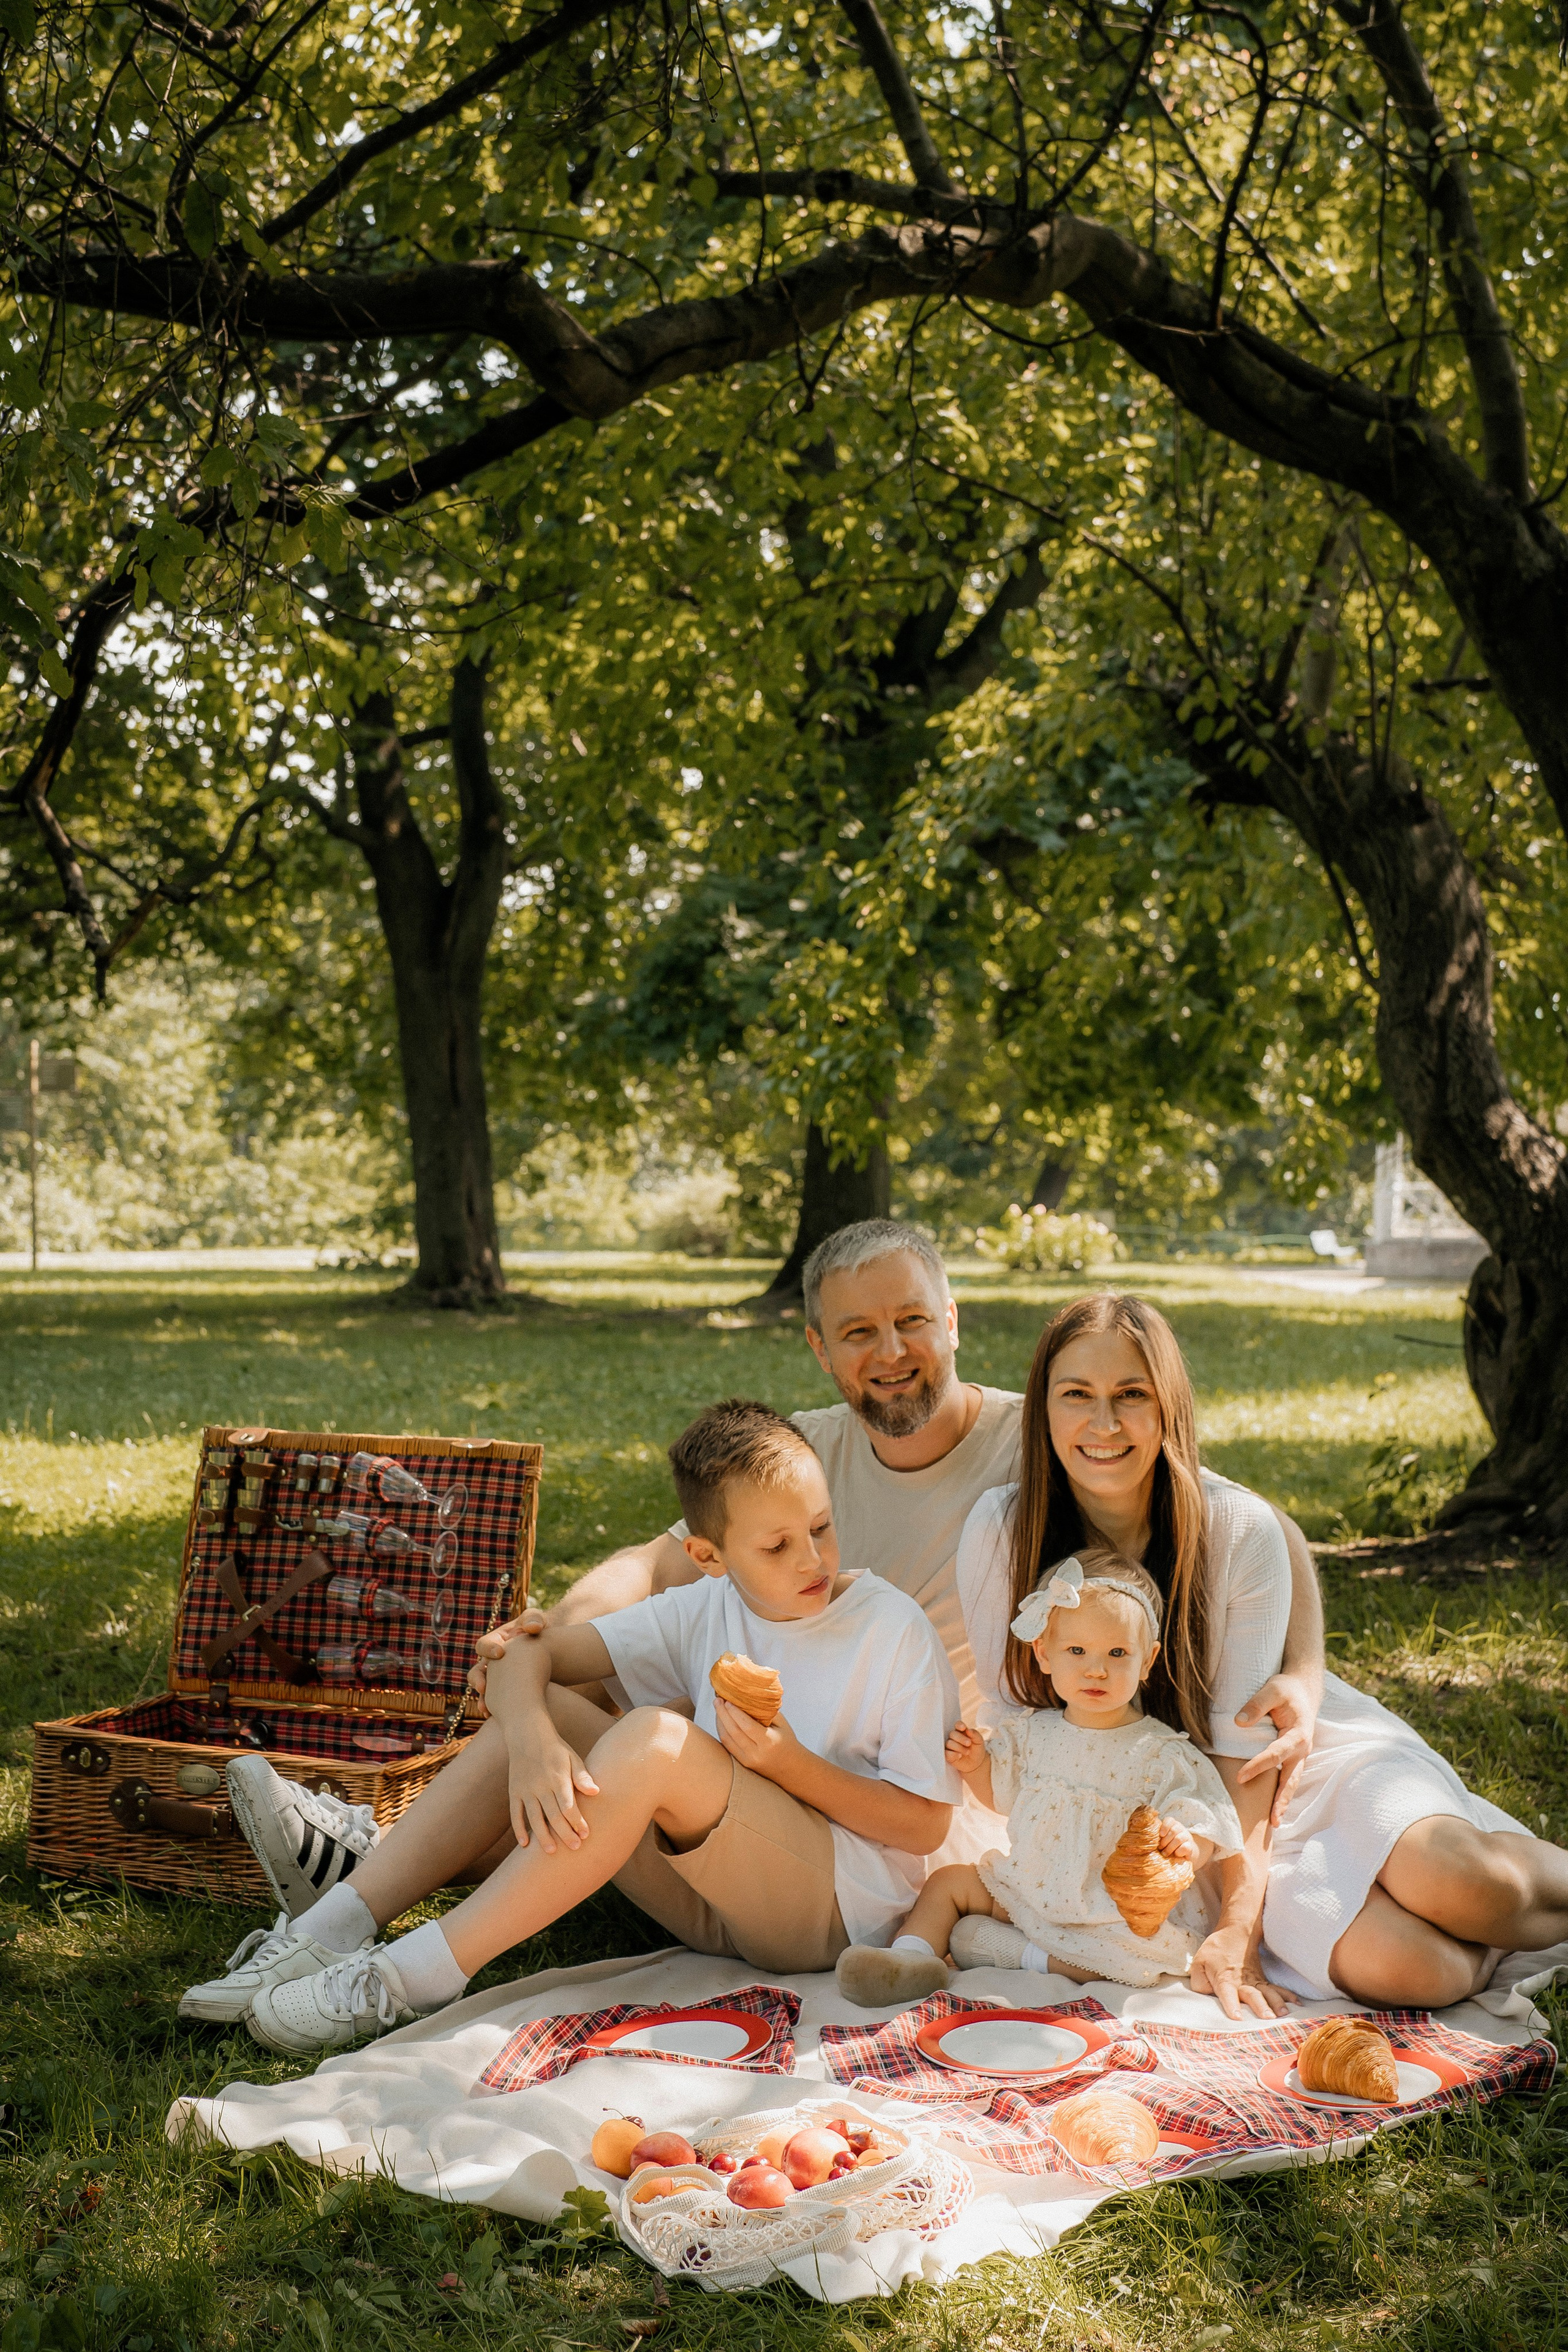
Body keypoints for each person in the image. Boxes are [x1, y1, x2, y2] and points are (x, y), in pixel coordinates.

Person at [180, 1400, 960, 2048]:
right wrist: (531, 1745)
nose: (811, 1560)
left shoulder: (889, 1629)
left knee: (654, 1739)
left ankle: (403, 1980)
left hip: (835, 1915)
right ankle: (328, 1930)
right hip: (711, 1901)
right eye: (777, 1545)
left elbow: (924, 1829)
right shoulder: (703, 1607)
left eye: (820, 1529)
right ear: (708, 1554)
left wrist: (786, 1762)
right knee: (548, 1710)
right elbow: (528, 1651)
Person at [957, 1291, 1568, 2012]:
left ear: (1170, 1407)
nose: (1103, 1423)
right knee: (1415, 1971)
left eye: (1131, 1395)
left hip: (1275, 1762)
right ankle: (1435, 1911)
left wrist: (1239, 1929)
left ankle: (1464, 1876)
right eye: (1076, 1395)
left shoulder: (1232, 1526)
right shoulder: (1002, 1530)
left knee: (1468, 1885)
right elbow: (1017, 1716)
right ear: (1043, 1408)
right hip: (1167, 1814)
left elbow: (1238, 1752)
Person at [835, 1550, 1243, 2007]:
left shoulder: (1161, 1753)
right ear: (1044, 1653)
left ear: (1146, 1662)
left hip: (1105, 1916)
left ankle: (1028, 1956)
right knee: (950, 1881)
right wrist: (976, 1767)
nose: (1096, 1668)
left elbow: (1205, 1817)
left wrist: (1187, 1843)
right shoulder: (1033, 1733)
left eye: (1117, 1653)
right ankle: (909, 1960)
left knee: (1133, 1959)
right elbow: (1002, 1797)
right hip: (1029, 1891)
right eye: (1077, 1651)